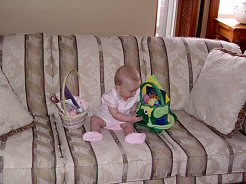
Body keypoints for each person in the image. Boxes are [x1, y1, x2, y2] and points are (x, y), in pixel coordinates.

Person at [83, 65, 146, 144]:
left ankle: (130, 136)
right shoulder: (111, 97)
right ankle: (95, 133)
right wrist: (129, 119)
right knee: (95, 119)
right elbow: (115, 114)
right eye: (131, 91)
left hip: (124, 119)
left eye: (136, 89)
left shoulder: (136, 92)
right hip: (106, 117)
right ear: (119, 89)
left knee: (129, 125)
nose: (135, 93)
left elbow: (135, 102)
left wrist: (133, 112)